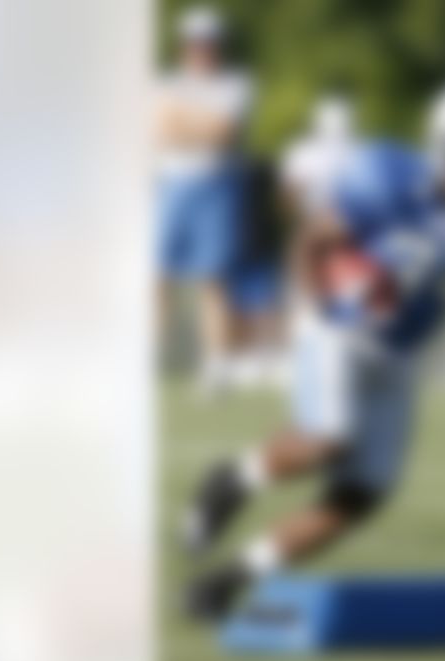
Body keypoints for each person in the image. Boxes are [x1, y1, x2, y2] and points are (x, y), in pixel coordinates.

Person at [181, 78, 445, 621]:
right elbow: (312, 238)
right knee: (328, 440)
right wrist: (306, 310)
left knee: (362, 495)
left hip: (401, 353)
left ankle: (229, 580)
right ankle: (234, 478)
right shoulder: (387, 173)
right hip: (343, 327)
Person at [156, 6, 254, 397]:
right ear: (184, 46)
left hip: (215, 186)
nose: (201, 50)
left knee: (211, 279)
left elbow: (222, 134)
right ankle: (154, 356)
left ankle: (215, 365)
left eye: (208, 43)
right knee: (156, 275)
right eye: (195, 43)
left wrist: (183, 124)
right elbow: (159, 129)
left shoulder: (235, 84)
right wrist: (194, 125)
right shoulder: (164, 83)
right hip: (171, 184)